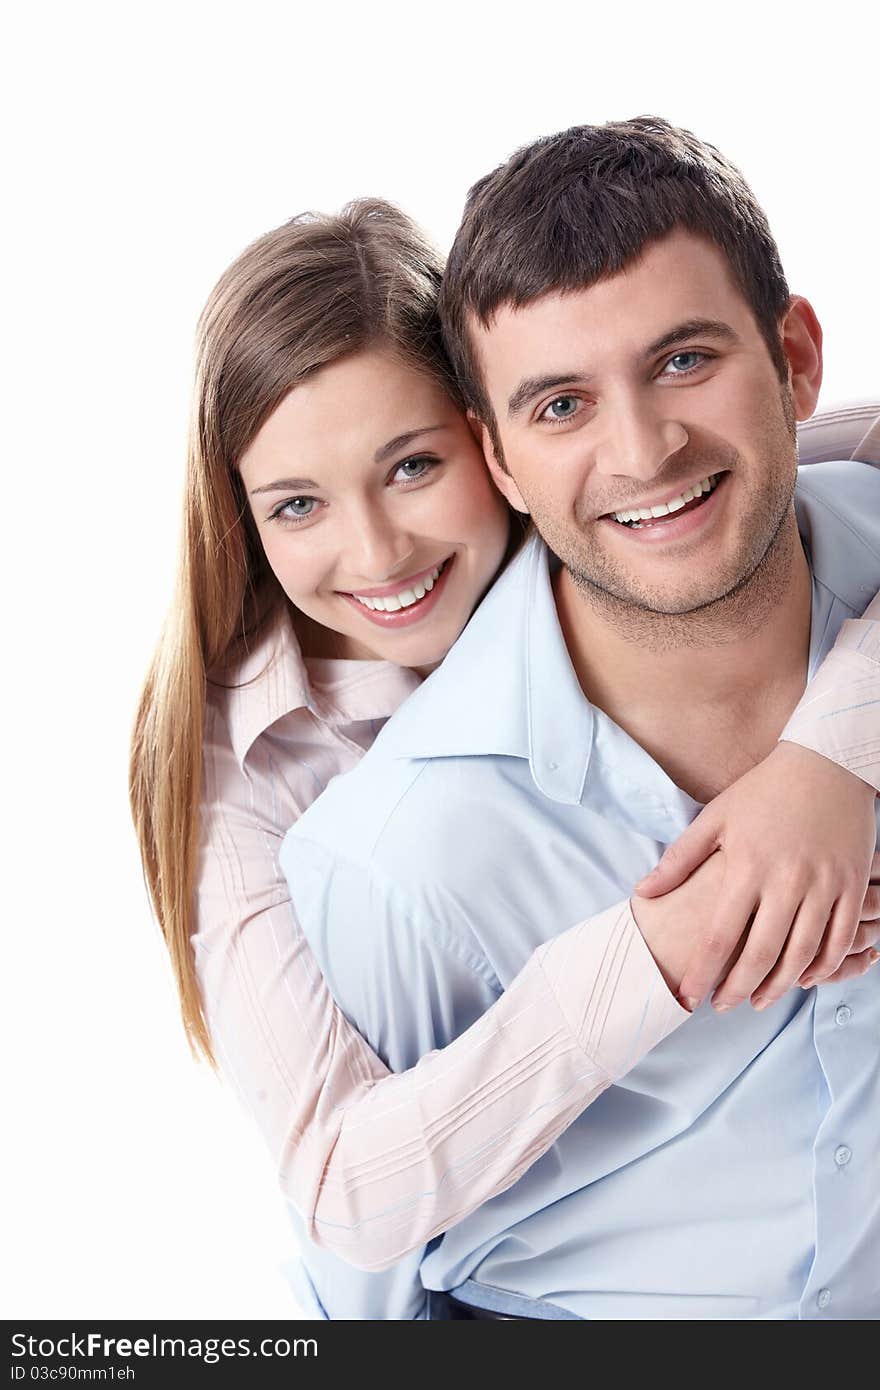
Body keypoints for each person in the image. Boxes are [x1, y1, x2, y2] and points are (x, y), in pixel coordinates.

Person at [280, 120, 880, 1319]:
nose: (643, 450)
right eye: (561, 404)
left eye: (682, 361)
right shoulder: (402, 857)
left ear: (795, 358)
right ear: (496, 459)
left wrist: (837, 752)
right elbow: (363, 1293)